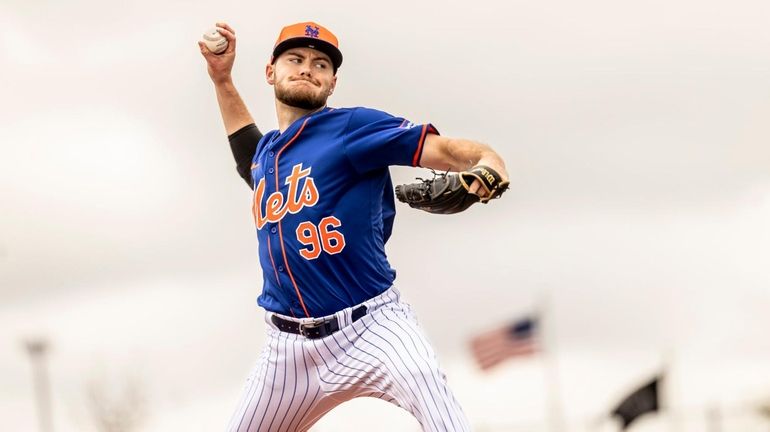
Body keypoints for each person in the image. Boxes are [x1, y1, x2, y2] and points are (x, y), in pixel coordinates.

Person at [199, 21, 508, 432]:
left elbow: (445, 149)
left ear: (332, 83)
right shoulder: (267, 156)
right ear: (270, 71)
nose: (308, 68)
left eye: (320, 63)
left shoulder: (352, 128)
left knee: (437, 403)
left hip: (373, 326)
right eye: (295, 59)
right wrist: (222, 80)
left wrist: (489, 164)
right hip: (287, 349)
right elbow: (247, 157)